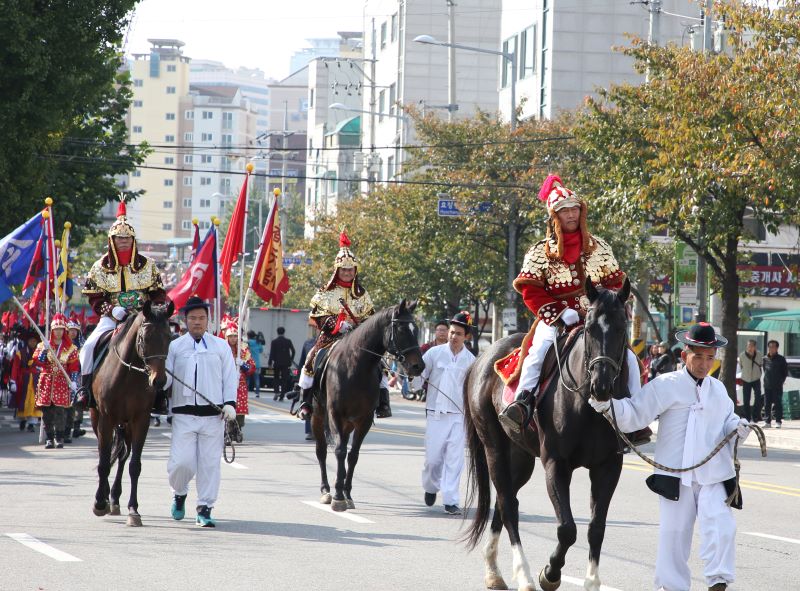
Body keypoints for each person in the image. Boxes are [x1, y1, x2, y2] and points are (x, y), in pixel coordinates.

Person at [589, 322, 750, 591]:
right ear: (685, 354)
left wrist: (738, 428)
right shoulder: (666, 385)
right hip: (676, 476)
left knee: (722, 527)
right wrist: (608, 406)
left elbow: (728, 422)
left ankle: (718, 581)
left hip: (713, 475)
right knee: (673, 536)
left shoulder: (718, 390)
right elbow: (635, 413)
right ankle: (671, 587)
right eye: (698, 356)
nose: (703, 364)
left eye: (709, 358)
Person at [498, 174, 639, 434]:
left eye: (575, 209)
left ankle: (634, 416)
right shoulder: (540, 252)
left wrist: (607, 305)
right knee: (536, 353)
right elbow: (530, 290)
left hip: (598, 317)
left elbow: (616, 281)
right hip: (557, 319)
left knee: (629, 357)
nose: (571, 215)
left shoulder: (600, 248)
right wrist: (561, 313)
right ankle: (523, 403)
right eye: (565, 211)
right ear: (555, 216)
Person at [75, 198, 166, 410]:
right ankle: (85, 390)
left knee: (162, 348)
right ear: (112, 240)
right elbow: (94, 296)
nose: (123, 241)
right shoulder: (99, 267)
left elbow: (158, 294)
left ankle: (161, 395)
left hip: (142, 319)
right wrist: (110, 309)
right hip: (111, 319)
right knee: (87, 348)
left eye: (127, 237)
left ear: (133, 240)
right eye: (119, 238)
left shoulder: (148, 266)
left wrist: (152, 311)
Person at [294, 230, 391, 419]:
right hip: (331, 337)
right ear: (337, 270)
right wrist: (337, 325)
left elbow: (370, 318)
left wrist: (359, 327)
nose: (347, 273)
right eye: (344, 270)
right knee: (312, 358)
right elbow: (318, 316)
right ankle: (305, 401)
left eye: (350, 270)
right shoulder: (325, 292)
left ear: (355, 271)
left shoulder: (362, 294)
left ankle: (383, 403)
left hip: (359, 339)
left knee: (381, 365)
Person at [164, 296, 238, 528]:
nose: (197, 322)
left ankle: (204, 508)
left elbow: (229, 376)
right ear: (185, 320)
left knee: (209, 465)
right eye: (193, 318)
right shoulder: (175, 346)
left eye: (202, 318)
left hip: (213, 415)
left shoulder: (221, 346)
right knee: (181, 463)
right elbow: (165, 379)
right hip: (183, 415)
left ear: (208, 321)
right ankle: (179, 492)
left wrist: (230, 403)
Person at [420, 312, 476, 515]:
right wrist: (413, 376)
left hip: (459, 416)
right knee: (433, 460)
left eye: (458, 333)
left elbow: (473, 390)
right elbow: (420, 375)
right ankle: (430, 487)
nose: (453, 336)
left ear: (466, 337)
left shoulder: (471, 361)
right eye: (452, 332)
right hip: (435, 413)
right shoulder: (433, 354)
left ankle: (451, 499)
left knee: (455, 460)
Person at [33, 315, 80, 449]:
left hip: (61, 381)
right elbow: (39, 362)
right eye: (55, 329)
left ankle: (59, 437)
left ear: (64, 330)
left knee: (60, 411)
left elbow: (74, 367)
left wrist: (74, 382)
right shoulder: (42, 345)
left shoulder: (71, 348)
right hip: (46, 381)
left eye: (60, 329)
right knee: (47, 411)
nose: (58, 332)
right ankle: (49, 438)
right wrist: (45, 350)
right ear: (52, 330)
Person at [222, 317, 255, 439]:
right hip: (225, 381)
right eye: (231, 336)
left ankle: (238, 428)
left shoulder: (243, 349)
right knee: (226, 405)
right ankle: (226, 429)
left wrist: (243, 364)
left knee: (240, 406)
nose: (233, 339)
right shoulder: (222, 348)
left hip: (240, 382)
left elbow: (252, 367)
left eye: (235, 336)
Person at [10, 329, 42, 433]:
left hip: (36, 381)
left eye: (34, 341)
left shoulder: (40, 354)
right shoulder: (20, 353)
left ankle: (31, 424)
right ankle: (23, 420)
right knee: (22, 401)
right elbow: (15, 368)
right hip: (23, 381)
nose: (32, 343)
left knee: (34, 402)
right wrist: (13, 381)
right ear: (27, 341)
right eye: (31, 341)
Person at [296, 326, 318, 440]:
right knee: (308, 394)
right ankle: (305, 408)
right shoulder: (309, 343)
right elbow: (303, 363)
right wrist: (297, 381)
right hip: (312, 374)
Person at [762, 340, 788, 429]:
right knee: (767, 404)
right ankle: (767, 422)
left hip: (777, 386)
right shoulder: (765, 359)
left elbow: (785, 372)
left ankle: (778, 421)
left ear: (777, 348)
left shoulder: (781, 359)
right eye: (770, 347)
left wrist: (780, 381)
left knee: (778, 404)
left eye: (773, 347)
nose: (771, 349)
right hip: (767, 385)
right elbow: (764, 370)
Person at [737, 339, 763, 423]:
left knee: (758, 397)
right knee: (746, 399)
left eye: (751, 346)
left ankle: (755, 416)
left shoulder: (759, 355)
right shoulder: (742, 355)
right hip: (746, 379)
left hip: (756, 378)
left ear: (755, 347)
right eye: (748, 345)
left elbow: (761, 364)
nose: (749, 347)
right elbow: (741, 366)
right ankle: (747, 417)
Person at [268, 326, 295, 401]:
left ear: (277, 332)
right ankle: (282, 395)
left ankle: (276, 391)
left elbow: (272, 353)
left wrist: (270, 362)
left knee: (276, 378)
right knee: (284, 379)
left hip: (277, 363)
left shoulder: (274, 341)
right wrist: (291, 359)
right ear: (284, 332)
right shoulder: (288, 341)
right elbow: (293, 351)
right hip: (286, 363)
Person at [246, 330, 263, 398]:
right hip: (257, 363)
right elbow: (261, 350)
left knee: (247, 379)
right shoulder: (258, 342)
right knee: (257, 378)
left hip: (249, 363)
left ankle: (246, 392)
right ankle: (258, 393)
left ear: (248, 336)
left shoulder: (247, 343)